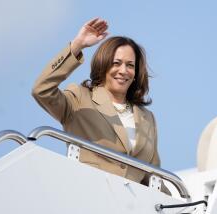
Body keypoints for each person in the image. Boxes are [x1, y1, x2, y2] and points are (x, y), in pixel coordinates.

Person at [32, 17, 169, 193]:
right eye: (116, 63)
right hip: (88, 197)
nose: (123, 71)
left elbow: (154, 178)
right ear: (103, 65)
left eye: (130, 65)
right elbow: (41, 89)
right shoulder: (79, 98)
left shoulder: (147, 118)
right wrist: (77, 45)